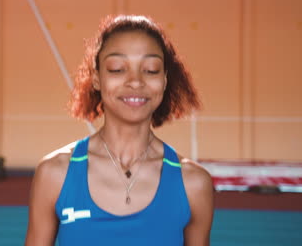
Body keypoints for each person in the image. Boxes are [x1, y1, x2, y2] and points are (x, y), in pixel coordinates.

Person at [25, 15, 214, 246]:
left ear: (164, 81)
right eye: (117, 69)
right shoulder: (55, 174)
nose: (135, 81)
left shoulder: (193, 184)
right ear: (96, 79)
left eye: (151, 70)